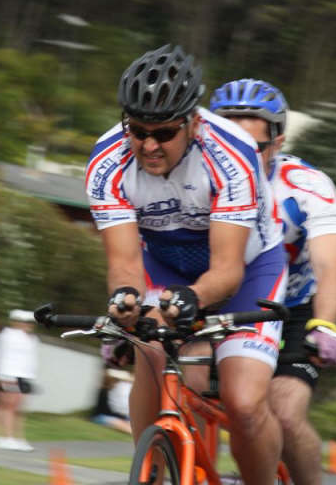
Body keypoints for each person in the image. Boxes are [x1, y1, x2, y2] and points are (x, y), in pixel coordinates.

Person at [86, 44, 288, 485]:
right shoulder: (107, 162)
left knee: (243, 400)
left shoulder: (232, 154)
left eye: (163, 132)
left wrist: (191, 299)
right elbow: (124, 263)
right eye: (137, 130)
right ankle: (155, 473)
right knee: (152, 352)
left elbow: (227, 271)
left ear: (193, 123)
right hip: (167, 263)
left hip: (249, 268)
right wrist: (125, 301)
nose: (148, 144)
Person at [210, 79, 336, 485]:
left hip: (289, 309)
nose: (242, 158)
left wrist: (324, 323)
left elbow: (330, 267)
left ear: (279, 141)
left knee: (285, 416)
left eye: (254, 148)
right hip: (222, 301)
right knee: (192, 396)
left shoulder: (308, 186)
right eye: (227, 145)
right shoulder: (198, 180)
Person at [0, 309, 38, 451]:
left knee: (19, 408)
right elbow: (0, 356)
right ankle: (3, 437)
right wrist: (0, 375)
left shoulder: (33, 338)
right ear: (15, 322)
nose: (27, 325)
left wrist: (32, 375)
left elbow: (31, 359)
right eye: (23, 322)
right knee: (7, 405)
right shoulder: (6, 335)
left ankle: (18, 438)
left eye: (29, 322)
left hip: (25, 376)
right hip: (8, 374)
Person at [90, 367, 133, 434]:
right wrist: (121, 417)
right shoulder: (103, 391)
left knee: (129, 423)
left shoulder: (112, 391)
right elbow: (106, 410)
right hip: (100, 416)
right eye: (115, 380)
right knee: (120, 424)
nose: (117, 382)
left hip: (111, 416)